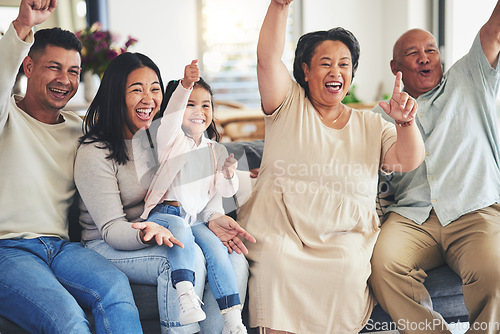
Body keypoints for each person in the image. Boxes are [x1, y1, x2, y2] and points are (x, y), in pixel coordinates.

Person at [236, 0, 425, 333]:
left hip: (344, 234)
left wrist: (406, 123)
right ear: (306, 70)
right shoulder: (287, 104)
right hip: (282, 229)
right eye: (325, 63)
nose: (336, 71)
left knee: (348, 265)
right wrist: (280, 6)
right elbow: (267, 58)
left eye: (345, 64)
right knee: (277, 264)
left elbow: (406, 160)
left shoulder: (372, 124)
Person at [74, 52, 250, 334]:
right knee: (186, 256)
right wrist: (146, 232)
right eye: (136, 89)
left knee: (235, 258)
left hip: (171, 227)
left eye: (155, 89)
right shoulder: (95, 151)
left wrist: (214, 216)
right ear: (115, 95)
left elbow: (193, 188)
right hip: (110, 243)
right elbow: (110, 229)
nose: (149, 98)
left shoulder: (160, 139)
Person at [0, 0, 143, 333]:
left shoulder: (82, 131)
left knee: (115, 289)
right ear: (28, 67)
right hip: (8, 250)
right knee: (67, 319)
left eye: (73, 71)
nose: (65, 79)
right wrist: (23, 24)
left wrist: (232, 175)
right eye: (54, 67)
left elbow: (139, 157)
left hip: (62, 248)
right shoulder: (6, 117)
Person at [369, 2, 500, 334]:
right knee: (382, 264)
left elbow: (494, 30)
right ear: (395, 66)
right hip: (413, 216)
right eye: (413, 53)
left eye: (431, 50)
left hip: (473, 209)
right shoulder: (379, 116)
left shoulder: (470, 78)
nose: (424, 57)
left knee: (496, 271)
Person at [139, 60, 255, 334]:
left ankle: (232, 319)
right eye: (191, 104)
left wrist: (228, 174)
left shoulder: (214, 149)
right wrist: (185, 86)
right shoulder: (171, 141)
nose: (199, 111)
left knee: (219, 250)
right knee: (181, 232)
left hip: (194, 222)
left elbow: (224, 194)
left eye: (206, 105)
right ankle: (186, 294)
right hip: (166, 216)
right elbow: (171, 115)